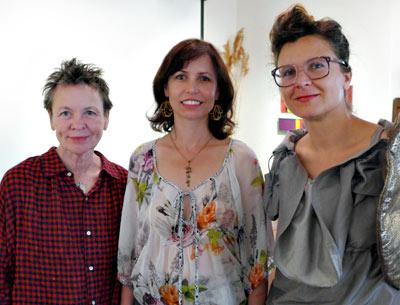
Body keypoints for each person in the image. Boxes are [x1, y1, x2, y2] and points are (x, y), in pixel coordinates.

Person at [117, 38, 273, 305]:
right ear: (166, 87)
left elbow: (257, 263)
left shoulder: (242, 160)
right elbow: (131, 256)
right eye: (181, 77)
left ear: (217, 91)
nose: (192, 88)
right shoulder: (142, 159)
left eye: (204, 79)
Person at [264, 4, 400, 305]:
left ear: (346, 75)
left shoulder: (389, 154)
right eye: (288, 72)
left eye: (317, 66)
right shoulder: (285, 160)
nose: (301, 81)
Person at [0, 58, 128, 304]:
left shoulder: (124, 184)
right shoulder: (18, 183)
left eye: (90, 112)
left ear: (106, 118)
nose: (77, 124)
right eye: (65, 113)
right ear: (51, 118)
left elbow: (133, 270)